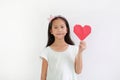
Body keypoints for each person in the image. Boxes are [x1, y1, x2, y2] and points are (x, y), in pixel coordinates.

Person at [40, 15, 86, 80]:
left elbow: (78, 71)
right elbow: (43, 75)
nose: (59, 30)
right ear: (51, 31)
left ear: (66, 30)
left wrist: (80, 52)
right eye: (55, 27)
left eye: (62, 27)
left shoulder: (75, 49)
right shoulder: (47, 51)